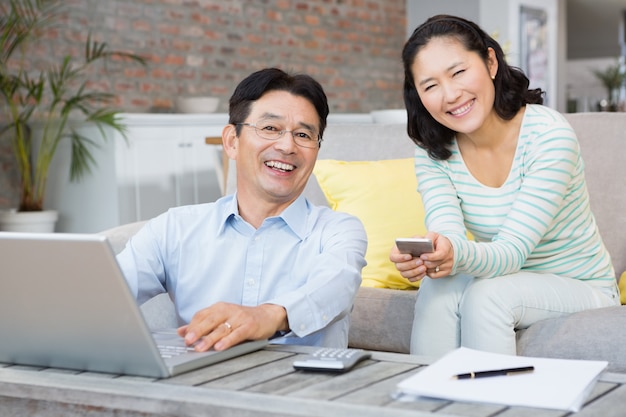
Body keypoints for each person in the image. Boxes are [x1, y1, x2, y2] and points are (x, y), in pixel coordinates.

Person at [390, 15, 620, 357]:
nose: (451, 95)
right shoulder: (432, 149)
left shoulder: (548, 136)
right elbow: (448, 233)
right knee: (437, 289)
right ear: (418, 96)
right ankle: (430, 406)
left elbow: (512, 253)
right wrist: (432, 259)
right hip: (501, 278)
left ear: (491, 62)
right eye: (430, 85)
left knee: (488, 296)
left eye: (458, 72)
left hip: (580, 287)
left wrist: (455, 254)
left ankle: (494, 409)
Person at [117, 68, 367, 352]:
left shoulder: (337, 230)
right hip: (200, 383)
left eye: (303, 134)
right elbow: (105, 292)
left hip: (303, 389)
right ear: (231, 142)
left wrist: (267, 316)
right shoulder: (175, 228)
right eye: (270, 128)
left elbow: (337, 287)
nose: (287, 146)